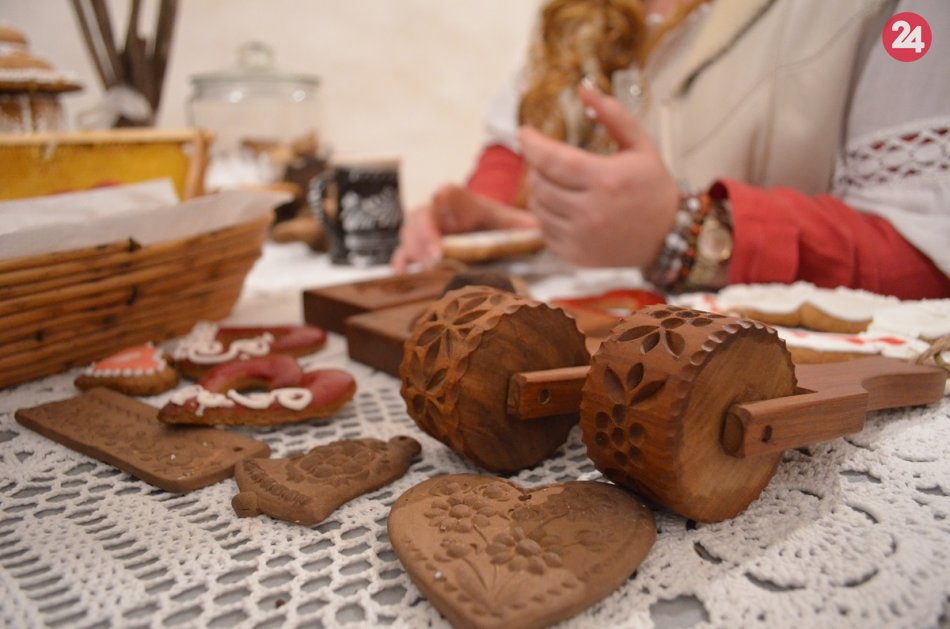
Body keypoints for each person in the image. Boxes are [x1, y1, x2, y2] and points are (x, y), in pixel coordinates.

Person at [392, 0, 950, 300]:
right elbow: (513, 151)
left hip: (761, 398)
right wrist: (483, 221)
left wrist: (683, 228)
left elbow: (923, 256)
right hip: (580, 359)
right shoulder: (575, 14)